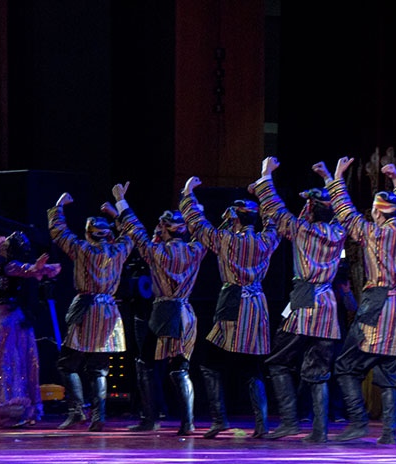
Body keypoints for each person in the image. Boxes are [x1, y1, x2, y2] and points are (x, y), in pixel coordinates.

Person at [316, 157, 396, 444]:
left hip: (378, 304)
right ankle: (389, 432)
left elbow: (346, 213)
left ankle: (358, 422)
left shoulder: (375, 234)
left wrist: (336, 177)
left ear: (378, 213)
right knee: (390, 369)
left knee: (346, 365)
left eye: (373, 209)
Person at [249, 157, 347, 443]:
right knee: (318, 371)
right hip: (328, 306)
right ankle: (320, 430)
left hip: (305, 301)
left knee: (278, 361)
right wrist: (331, 178)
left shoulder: (303, 230)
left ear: (311, 210)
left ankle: (290, 421)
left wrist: (266, 175)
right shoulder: (339, 232)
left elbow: (275, 209)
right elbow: (343, 209)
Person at [103, 181, 207, 436]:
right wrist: (192, 200)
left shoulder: (156, 251)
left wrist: (121, 201)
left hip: (164, 312)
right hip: (186, 313)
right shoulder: (196, 249)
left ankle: (149, 419)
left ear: (167, 230)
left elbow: (136, 230)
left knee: (145, 363)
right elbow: (202, 229)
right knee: (180, 368)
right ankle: (188, 422)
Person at [179, 176, 278, 439]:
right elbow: (274, 219)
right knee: (252, 367)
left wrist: (188, 194)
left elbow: (197, 225)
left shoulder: (227, 240)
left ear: (235, 218)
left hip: (234, 303)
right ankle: (261, 424)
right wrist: (263, 191)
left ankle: (219, 419)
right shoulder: (266, 239)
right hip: (257, 305)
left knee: (209, 362)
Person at [48, 193, 134, 432]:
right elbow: (131, 234)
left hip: (87, 309)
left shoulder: (82, 249)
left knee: (67, 364)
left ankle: (77, 411)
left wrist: (58, 206)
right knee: (98, 367)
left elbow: (59, 232)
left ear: (88, 233)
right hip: (108, 311)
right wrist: (117, 215)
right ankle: (99, 416)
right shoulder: (118, 250)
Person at [0, 232, 61, 427]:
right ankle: (3, 410)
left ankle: (16, 410)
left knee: (12, 362)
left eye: (3, 249)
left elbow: (25, 270)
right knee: (1, 363)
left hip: (11, 321)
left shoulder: (11, 266)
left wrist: (38, 267)